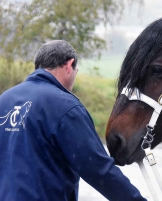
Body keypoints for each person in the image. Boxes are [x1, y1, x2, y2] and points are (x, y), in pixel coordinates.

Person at [0, 40, 147, 201]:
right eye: (76, 70)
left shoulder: (5, 100)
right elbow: (98, 169)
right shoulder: (64, 106)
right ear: (70, 65)